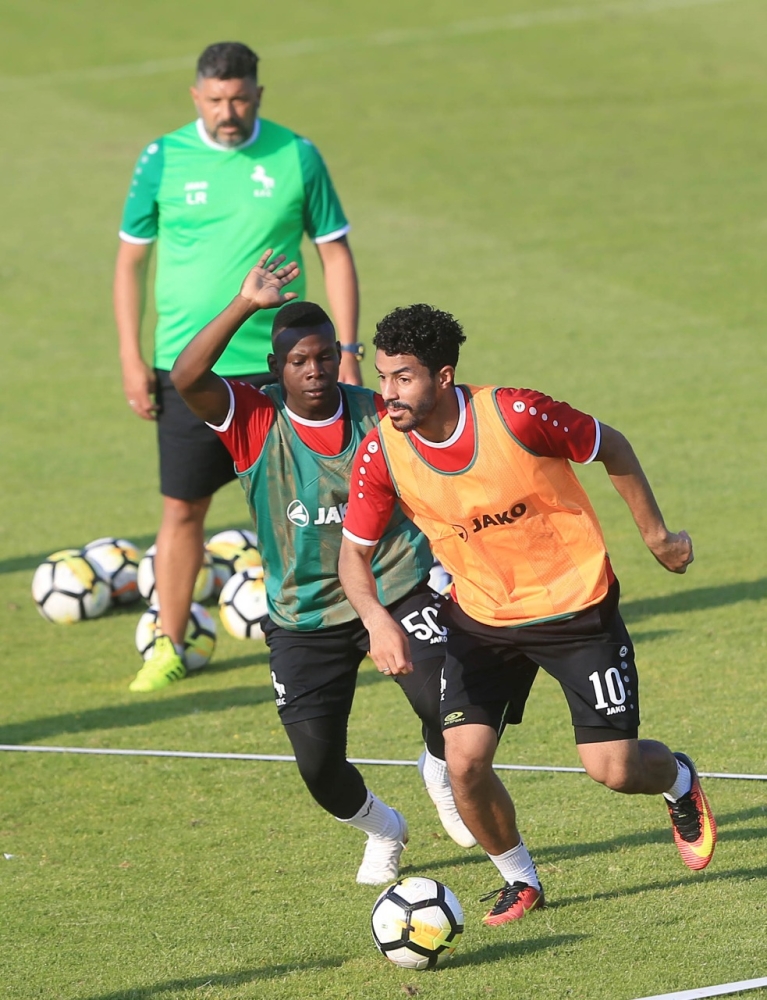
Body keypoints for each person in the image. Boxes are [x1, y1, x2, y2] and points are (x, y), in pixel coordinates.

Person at [338, 303, 717, 925]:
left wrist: (658, 537)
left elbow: (612, 446)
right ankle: (520, 880)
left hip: (576, 607)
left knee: (614, 770)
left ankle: (677, 779)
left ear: (443, 376)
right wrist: (378, 619)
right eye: (383, 377)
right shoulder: (383, 449)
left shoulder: (515, 414)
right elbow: (352, 554)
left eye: (403, 377)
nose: (389, 393)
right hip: (481, 618)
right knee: (463, 762)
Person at [169, 253, 476, 885]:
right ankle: (384, 828)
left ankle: (439, 768)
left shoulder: (377, 413)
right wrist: (245, 304)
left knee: (452, 707)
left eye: (325, 357)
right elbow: (185, 375)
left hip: (394, 586)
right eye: (299, 361)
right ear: (276, 367)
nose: (314, 371)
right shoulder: (253, 419)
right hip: (305, 615)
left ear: (340, 357)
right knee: (318, 768)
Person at [115, 41, 363, 693]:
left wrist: (349, 350)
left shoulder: (295, 154)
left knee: (321, 502)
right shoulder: (163, 157)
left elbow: (335, 252)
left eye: (241, 99)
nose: (229, 112)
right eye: (217, 100)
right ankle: (168, 645)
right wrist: (131, 357)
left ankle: (351, 622)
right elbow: (130, 260)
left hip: (285, 368)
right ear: (196, 97)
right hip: (188, 371)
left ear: (258, 94)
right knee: (182, 509)